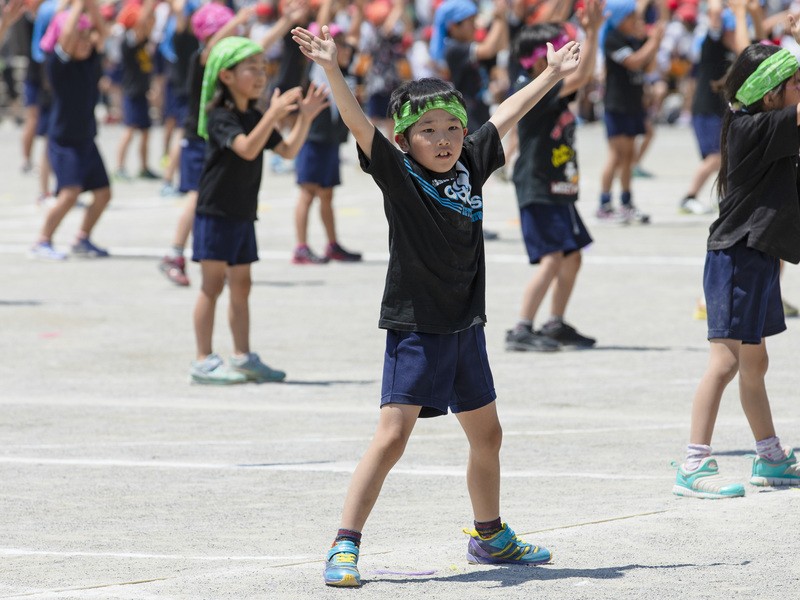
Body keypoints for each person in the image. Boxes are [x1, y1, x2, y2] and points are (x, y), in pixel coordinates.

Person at [291, 22, 581, 587]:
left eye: (453, 127)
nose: (445, 138)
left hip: (465, 325)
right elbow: (357, 122)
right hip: (417, 326)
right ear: (404, 140)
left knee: (488, 435)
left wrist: (548, 74)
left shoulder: (471, 162)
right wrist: (331, 68)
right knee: (393, 437)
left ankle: (490, 535)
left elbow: (505, 115)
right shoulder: (399, 175)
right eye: (428, 130)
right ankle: (344, 544)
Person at [672, 39, 800, 499]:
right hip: (736, 255)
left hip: (760, 254)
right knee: (724, 363)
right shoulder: (755, 126)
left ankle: (769, 457)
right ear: (770, 94)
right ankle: (693, 463)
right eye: (796, 84)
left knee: (755, 362)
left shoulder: (767, 120)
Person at [189, 35, 328, 385]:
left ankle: (242, 356)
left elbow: (288, 151)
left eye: (263, 67)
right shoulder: (220, 115)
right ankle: (203, 360)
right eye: (251, 67)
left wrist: (304, 117)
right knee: (211, 286)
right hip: (215, 211)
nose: (261, 74)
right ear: (226, 76)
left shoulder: (255, 114)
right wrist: (273, 114)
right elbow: (248, 149)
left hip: (241, 213)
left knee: (242, 284)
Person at [505, 2, 602, 353]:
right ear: (537, 58)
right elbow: (582, 75)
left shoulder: (546, 82)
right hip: (538, 184)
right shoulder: (533, 85)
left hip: (558, 185)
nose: (567, 49)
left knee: (572, 256)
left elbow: (583, 74)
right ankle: (522, 327)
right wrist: (591, 33)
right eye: (559, 46)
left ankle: (555, 322)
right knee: (551, 259)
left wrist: (589, 30)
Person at [30, 0, 112, 260]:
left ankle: (82, 238)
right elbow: (66, 35)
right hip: (64, 139)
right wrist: (77, 5)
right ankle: (42, 241)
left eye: (87, 37)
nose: (85, 41)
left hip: (87, 137)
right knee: (69, 193)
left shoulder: (90, 61)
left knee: (103, 193)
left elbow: (103, 33)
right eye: (80, 37)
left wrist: (91, 8)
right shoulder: (58, 64)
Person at [292, 22, 362, 264]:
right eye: (339, 44)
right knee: (308, 193)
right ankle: (300, 247)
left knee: (327, 194)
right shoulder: (318, 68)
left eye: (345, 45)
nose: (346, 49)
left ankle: (333, 244)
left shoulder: (346, 72)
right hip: (314, 140)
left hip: (331, 142)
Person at [596, 0, 664, 223]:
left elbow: (650, 67)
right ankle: (604, 203)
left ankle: (626, 202)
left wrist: (652, 43)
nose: (637, 22)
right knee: (616, 155)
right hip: (617, 104)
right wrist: (653, 43)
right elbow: (634, 62)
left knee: (629, 157)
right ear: (620, 19)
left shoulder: (636, 39)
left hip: (634, 105)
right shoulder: (613, 38)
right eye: (632, 18)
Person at [113, 0, 158, 180]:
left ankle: (144, 167)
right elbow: (141, 23)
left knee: (146, 131)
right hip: (132, 92)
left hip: (142, 91)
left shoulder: (142, 40)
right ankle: (119, 167)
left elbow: (149, 23)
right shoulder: (128, 41)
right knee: (129, 129)